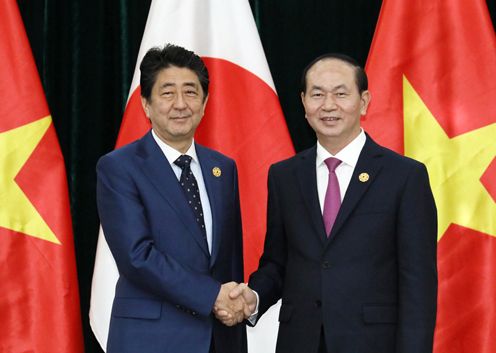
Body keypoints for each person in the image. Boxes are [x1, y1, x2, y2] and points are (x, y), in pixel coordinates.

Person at [225, 53, 438, 353]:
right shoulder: (284, 176)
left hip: (373, 343)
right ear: (303, 103)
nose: (328, 105)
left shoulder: (404, 177)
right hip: (300, 341)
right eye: (317, 94)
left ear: (363, 102)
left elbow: (418, 286)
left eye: (340, 93)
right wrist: (254, 297)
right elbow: (278, 262)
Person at [96, 44, 247, 353]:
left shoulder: (223, 168)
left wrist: (233, 304)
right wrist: (212, 296)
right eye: (167, 93)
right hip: (150, 340)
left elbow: (229, 260)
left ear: (204, 104)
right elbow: (137, 256)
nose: (181, 104)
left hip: (218, 340)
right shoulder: (119, 168)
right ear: (146, 105)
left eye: (191, 92)